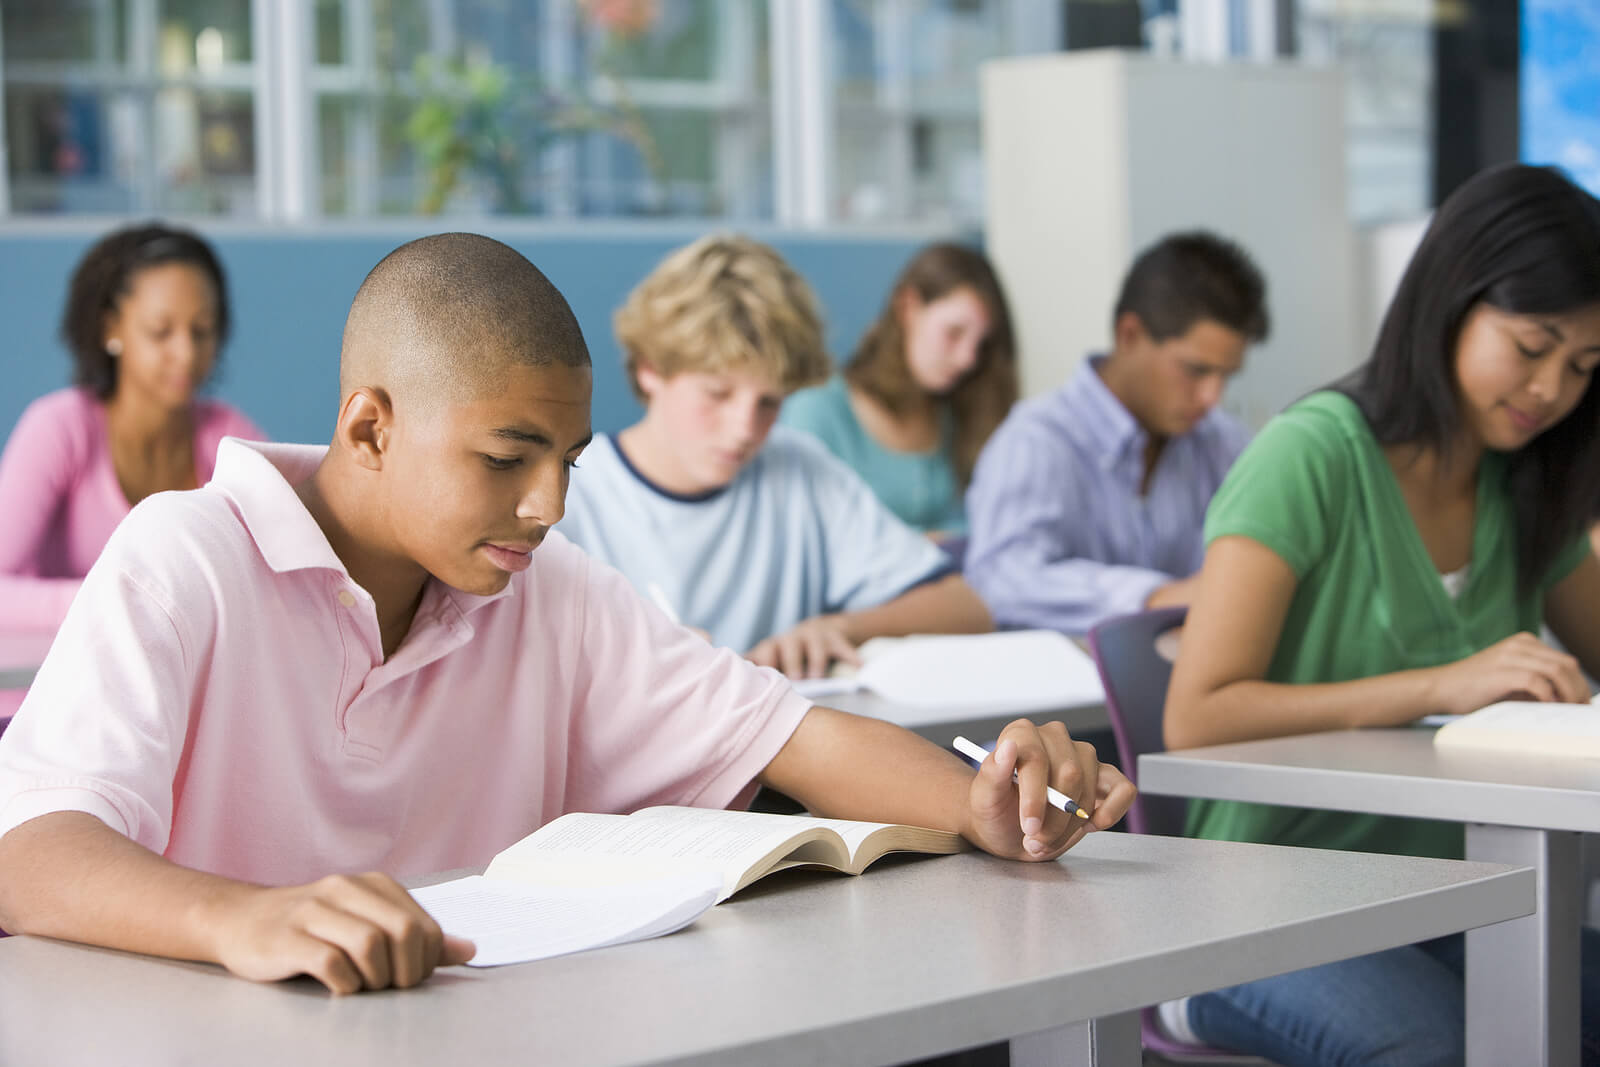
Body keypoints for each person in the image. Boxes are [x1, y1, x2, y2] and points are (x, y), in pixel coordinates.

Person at [0, 233, 1135, 994]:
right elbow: (28, 853)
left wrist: (985, 802)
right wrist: (239, 921)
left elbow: (797, 737)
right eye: (507, 456)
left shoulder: (550, 590)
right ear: (369, 428)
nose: (545, 504)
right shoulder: (185, 552)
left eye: (567, 459)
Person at [1163, 163, 1600, 1065]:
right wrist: (1443, 684)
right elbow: (1198, 715)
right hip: (1256, 902)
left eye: (1585, 366)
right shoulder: (1310, 455)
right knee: (1436, 1048)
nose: (1552, 388)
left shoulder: (1527, 476)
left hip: (1451, 892)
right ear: (1452, 302)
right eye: (1532, 347)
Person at [558, 234, 993, 679]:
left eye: (769, 402)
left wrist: (839, 628)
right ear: (650, 369)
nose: (745, 429)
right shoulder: (569, 496)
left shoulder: (799, 469)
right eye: (717, 393)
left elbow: (965, 608)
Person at [963, 232, 1268, 636]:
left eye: (1225, 376)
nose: (1212, 396)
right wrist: (1155, 598)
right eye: (1195, 370)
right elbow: (999, 582)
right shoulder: (1037, 441)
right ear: (1129, 335)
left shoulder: (1223, 442)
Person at [0, 222, 264, 634]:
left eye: (202, 331)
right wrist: (128, 599)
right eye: (161, 332)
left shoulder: (228, 436)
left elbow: (280, 568)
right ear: (111, 329)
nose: (186, 353)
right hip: (48, 690)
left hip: (172, 694)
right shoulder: (58, 428)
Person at [781, 242, 1017, 538]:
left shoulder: (957, 414)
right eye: (954, 333)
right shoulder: (817, 411)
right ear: (909, 307)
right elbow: (809, 538)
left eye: (980, 344)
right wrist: (927, 543)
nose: (967, 359)